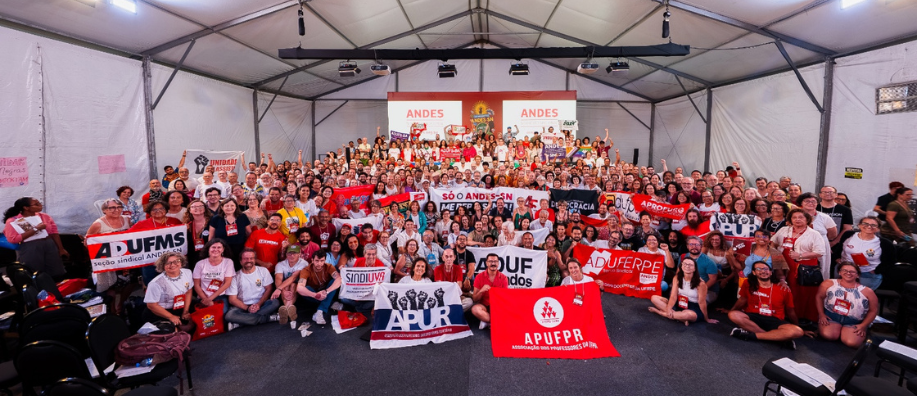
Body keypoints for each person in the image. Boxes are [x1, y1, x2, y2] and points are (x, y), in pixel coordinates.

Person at [728, 260, 803, 350]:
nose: (763, 271)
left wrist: (797, 325)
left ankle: (752, 336)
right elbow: (742, 300)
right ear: (754, 272)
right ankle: (775, 338)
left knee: (797, 332)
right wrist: (731, 310)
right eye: (759, 269)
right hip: (754, 317)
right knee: (733, 315)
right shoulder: (748, 284)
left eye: (766, 269)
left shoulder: (783, 288)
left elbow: (790, 311)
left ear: (771, 272)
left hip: (775, 319)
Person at [772, 208, 827, 322]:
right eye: (794, 217)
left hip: (804, 267)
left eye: (801, 217)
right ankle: (785, 315)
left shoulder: (814, 234)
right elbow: (773, 243)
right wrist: (775, 254)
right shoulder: (783, 230)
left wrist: (800, 255)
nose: (797, 220)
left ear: (807, 219)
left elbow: (820, 252)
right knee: (786, 289)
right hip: (784, 264)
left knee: (802, 292)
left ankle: (802, 317)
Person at [816, 262, 879, 348]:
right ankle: (839, 330)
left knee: (851, 343)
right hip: (832, 316)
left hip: (853, 321)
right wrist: (821, 314)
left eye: (852, 271)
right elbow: (819, 297)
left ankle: (848, 331)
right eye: (844, 270)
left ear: (857, 275)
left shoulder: (867, 291)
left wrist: (863, 325)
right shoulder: (828, 283)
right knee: (829, 336)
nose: (848, 273)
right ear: (839, 272)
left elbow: (873, 310)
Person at [3, 197, 69, 278]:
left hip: (49, 244)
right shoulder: (14, 220)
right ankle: (38, 289)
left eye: (39, 203)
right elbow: (13, 239)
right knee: (34, 271)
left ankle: (55, 288)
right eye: (36, 204)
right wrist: (36, 229)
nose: (40, 205)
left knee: (56, 270)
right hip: (30, 247)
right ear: (26, 208)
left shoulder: (44, 216)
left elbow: (54, 233)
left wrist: (61, 248)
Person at [648, 257, 717, 325]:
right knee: (654, 298)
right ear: (681, 266)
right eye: (685, 264)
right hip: (679, 302)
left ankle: (662, 313)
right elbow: (673, 296)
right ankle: (680, 318)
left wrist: (706, 318)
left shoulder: (701, 283)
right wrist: (669, 308)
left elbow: (702, 302)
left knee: (688, 315)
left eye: (690, 265)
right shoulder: (677, 278)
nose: (687, 266)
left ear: (694, 269)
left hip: (693, 307)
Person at [225, 248, 280, 331]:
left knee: (275, 302)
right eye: (245, 259)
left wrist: (258, 304)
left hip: (261, 304)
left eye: (251, 258)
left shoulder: (263, 271)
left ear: (255, 260)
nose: (249, 260)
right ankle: (268, 318)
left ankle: (241, 323)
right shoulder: (235, 276)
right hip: (243, 307)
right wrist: (247, 308)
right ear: (240, 261)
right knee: (229, 315)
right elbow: (232, 300)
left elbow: (269, 289)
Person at [837, 216, 895, 290]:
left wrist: (875, 271)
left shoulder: (885, 243)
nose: (869, 226)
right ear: (859, 225)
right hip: (844, 272)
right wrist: (838, 260)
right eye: (865, 223)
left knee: (859, 298)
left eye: (873, 225)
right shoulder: (848, 235)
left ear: (878, 228)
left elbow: (890, 262)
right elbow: (838, 250)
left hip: (867, 275)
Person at [142, 252, 195, 333]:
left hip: (180, 307)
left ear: (181, 262)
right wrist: (171, 317)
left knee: (202, 320)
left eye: (176, 261)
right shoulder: (155, 283)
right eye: (168, 263)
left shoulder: (187, 272)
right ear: (162, 266)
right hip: (161, 312)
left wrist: (186, 311)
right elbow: (151, 305)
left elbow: (188, 291)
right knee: (171, 333)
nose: (173, 265)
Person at [297, 250, 342, 325]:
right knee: (306, 288)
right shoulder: (306, 270)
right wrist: (316, 295)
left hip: (326, 292)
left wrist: (326, 291)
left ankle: (319, 311)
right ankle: (330, 303)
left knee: (333, 282)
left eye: (322, 261)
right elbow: (299, 288)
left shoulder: (329, 266)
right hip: (313, 294)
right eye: (317, 261)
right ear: (312, 260)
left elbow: (339, 279)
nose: (319, 264)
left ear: (325, 260)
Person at [193, 239, 236, 313]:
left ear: (223, 250)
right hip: (203, 296)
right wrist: (205, 299)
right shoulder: (200, 264)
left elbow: (227, 283)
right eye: (213, 247)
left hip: (220, 296)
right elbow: (196, 285)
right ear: (208, 249)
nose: (216, 249)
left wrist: (210, 299)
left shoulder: (228, 262)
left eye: (219, 247)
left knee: (221, 313)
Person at [208, 198, 252, 265]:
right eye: (227, 206)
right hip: (222, 251)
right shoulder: (216, 219)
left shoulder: (242, 217)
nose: (229, 208)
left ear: (236, 207)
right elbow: (211, 237)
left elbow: (249, 233)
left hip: (240, 249)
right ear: (222, 207)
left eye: (232, 205)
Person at [273, 244, 307, 326]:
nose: (292, 255)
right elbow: (278, 278)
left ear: (299, 254)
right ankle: (289, 309)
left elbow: (293, 277)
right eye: (289, 253)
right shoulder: (280, 264)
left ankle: (286, 309)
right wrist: (282, 290)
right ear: (286, 254)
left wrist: (279, 289)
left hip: (298, 285)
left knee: (292, 285)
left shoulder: (303, 263)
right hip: (285, 286)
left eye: (294, 253)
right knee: (287, 286)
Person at [472, 253, 509, 329]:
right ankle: (495, 322)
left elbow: (505, 298)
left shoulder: (503, 278)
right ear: (486, 263)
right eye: (491, 261)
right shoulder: (479, 277)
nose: (493, 264)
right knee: (475, 309)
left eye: (495, 261)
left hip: (498, 306)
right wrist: (481, 291)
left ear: (498, 263)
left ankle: (486, 321)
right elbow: (475, 299)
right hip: (484, 305)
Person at [681, 236, 719, 303]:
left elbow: (713, 280)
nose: (694, 247)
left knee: (694, 301)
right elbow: (679, 273)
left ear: (701, 246)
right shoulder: (684, 257)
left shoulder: (709, 262)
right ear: (687, 246)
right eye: (691, 244)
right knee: (674, 296)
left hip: (707, 290)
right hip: (688, 286)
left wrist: (700, 290)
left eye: (697, 244)